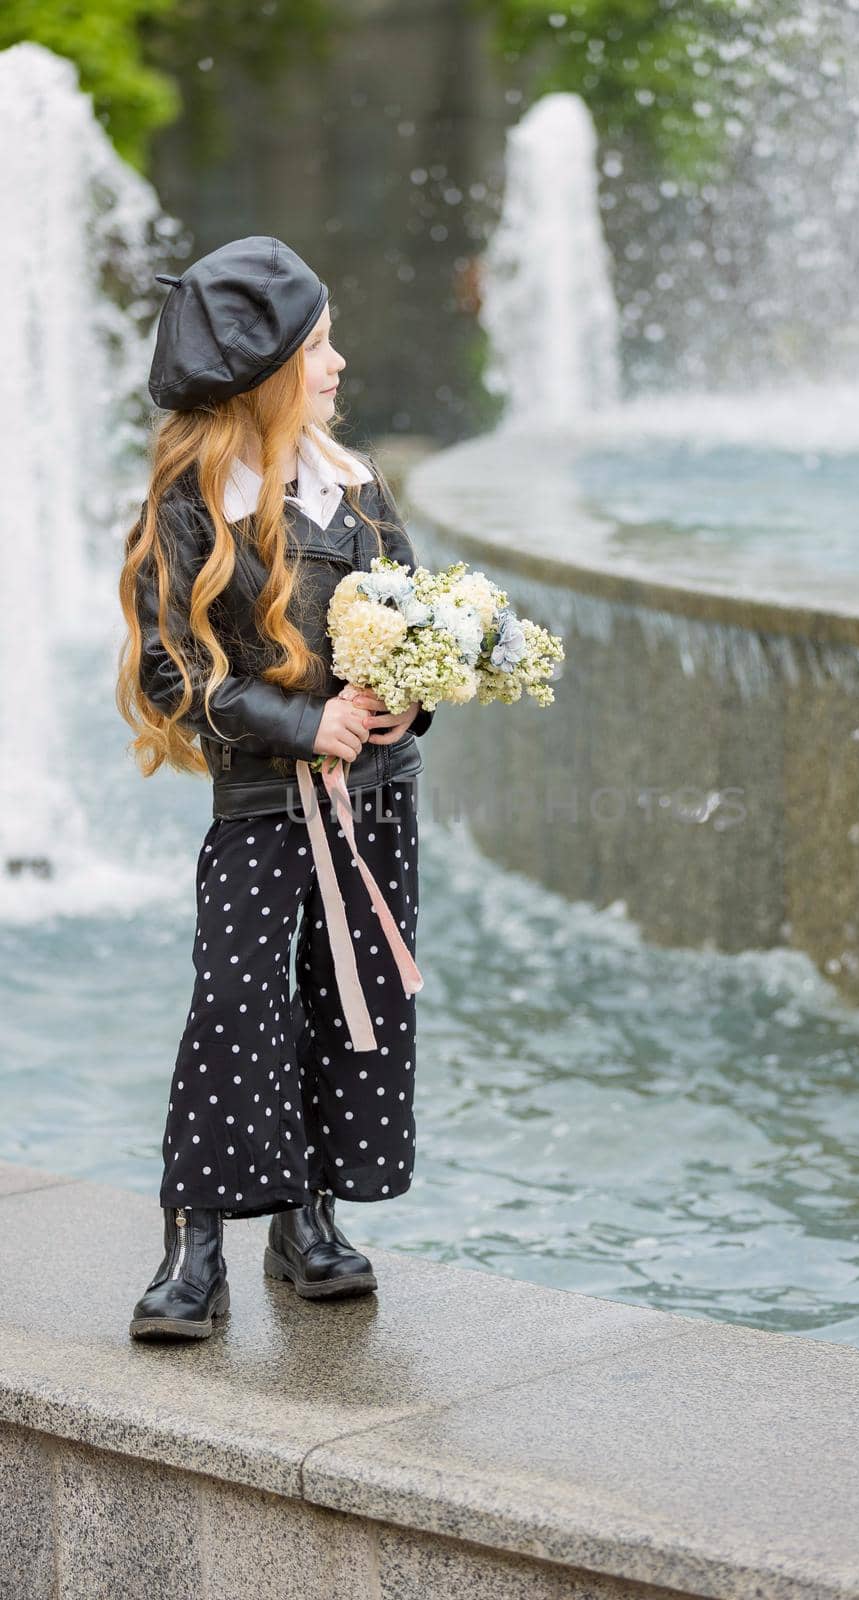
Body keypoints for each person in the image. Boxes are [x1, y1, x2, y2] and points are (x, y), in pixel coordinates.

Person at [115, 235, 435, 1341]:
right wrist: (306, 723)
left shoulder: (353, 487)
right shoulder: (192, 502)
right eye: (317, 344)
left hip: (374, 796)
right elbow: (179, 672)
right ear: (258, 374)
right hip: (261, 804)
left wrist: (404, 700)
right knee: (237, 1003)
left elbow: (412, 619)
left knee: (351, 1008)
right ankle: (193, 1238)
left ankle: (308, 1219)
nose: (339, 363)